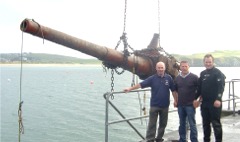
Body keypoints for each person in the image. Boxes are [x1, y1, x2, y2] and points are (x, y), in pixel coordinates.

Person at [124, 61, 177, 142]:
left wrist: (176, 100)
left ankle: (159, 138)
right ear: (156, 68)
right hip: (154, 105)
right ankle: (150, 139)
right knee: (152, 124)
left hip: (165, 106)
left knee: (163, 124)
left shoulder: (168, 78)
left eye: (162, 68)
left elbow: (173, 90)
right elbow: (140, 85)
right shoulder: (152, 78)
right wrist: (129, 89)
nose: (160, 69)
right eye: (159, 68)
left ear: (164, 68)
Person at [193, 54, 226, 142]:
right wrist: (194, 99)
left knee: (216, 124)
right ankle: (206, 140)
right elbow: (199, 88)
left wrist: (218, 99)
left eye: (210, 62)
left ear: (213, 62)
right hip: (204, 103)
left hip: (215, 103)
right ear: (204, 62)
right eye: (206, 62)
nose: (208, 64)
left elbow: (221, 87)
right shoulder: (203, 73)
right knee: (205, 124)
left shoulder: (218, 73)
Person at [175, 61, 198, 142]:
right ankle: (182, 139)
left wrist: (197, 100)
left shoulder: (194, 77)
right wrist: (175, 100)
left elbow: (200, 90)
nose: (184, 68)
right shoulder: (177, 78)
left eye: (185, 66)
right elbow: (175, 91)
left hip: (190, 105)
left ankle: (194, 140)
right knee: (182, 124)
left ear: (189, 67)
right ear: (180, 67)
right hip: (180, 105)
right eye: (182, 66)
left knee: (192, 124)